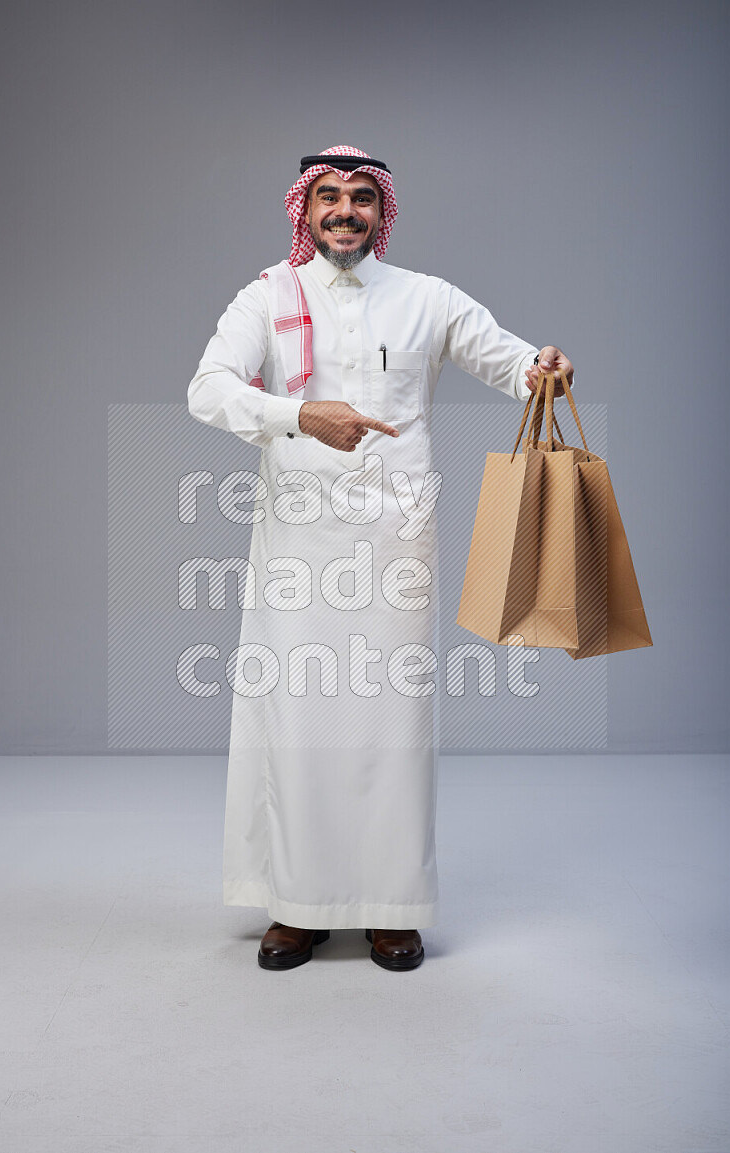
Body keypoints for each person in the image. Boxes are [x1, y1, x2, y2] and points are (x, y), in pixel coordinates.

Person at [187, 145, 574, 972]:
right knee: (298, 717)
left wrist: (543, 367)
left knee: (393, 724)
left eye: (362, 197)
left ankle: (391, 906)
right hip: (298, 540)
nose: (345, 212)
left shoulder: (426, 299)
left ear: (382, 210)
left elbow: (508, 359)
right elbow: (209, 387)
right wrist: (298, 415)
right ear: (304, 208)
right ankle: (297, 905)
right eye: (328, 197)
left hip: (399, 539)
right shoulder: (270, 293)